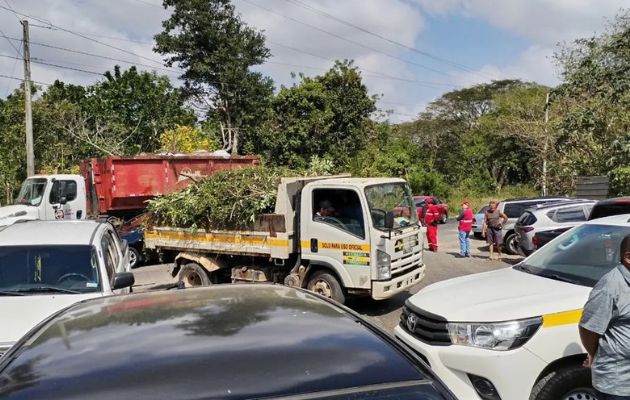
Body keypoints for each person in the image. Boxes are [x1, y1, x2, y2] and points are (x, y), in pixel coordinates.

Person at [579, 234, 630, 399]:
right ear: (628, 257)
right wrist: (595, 354)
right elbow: (588, 328)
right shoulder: (610, 286)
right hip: (619, 386)